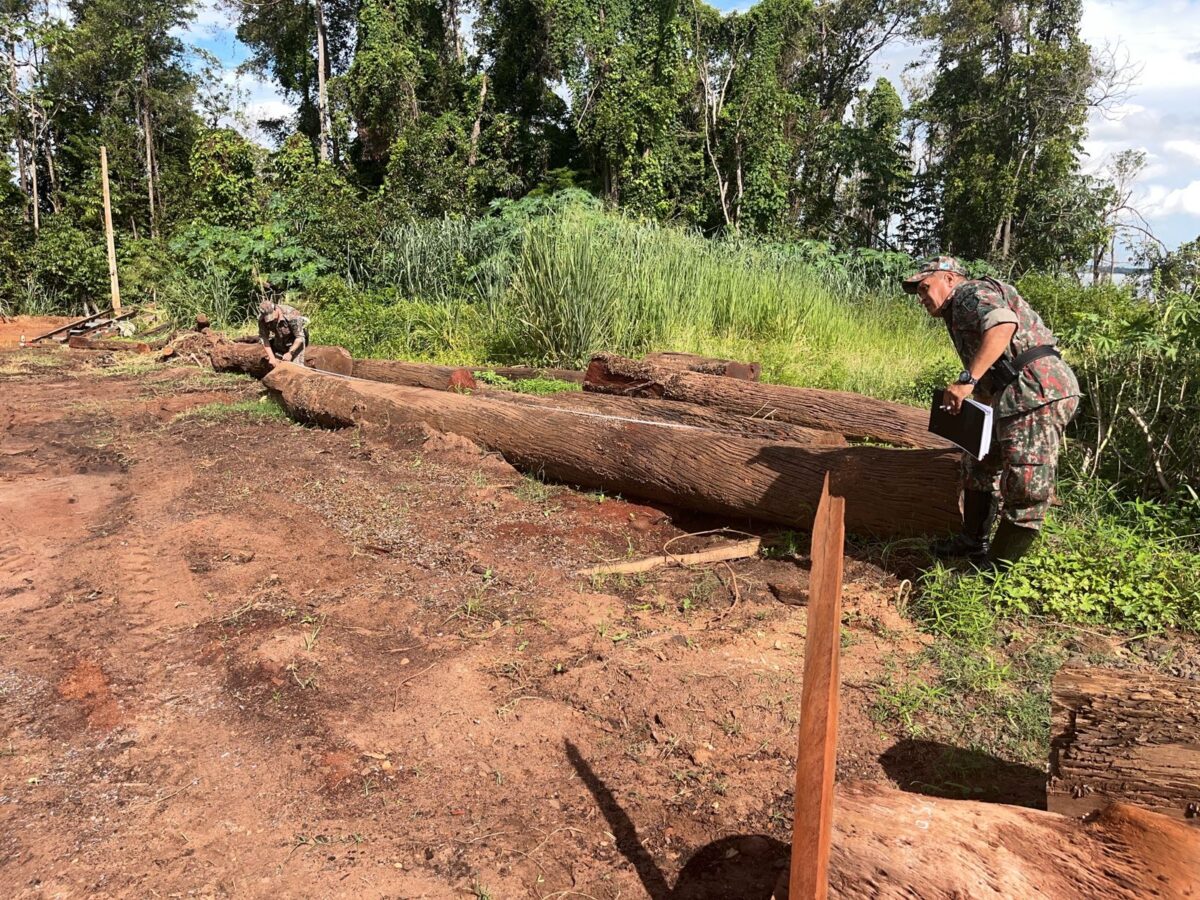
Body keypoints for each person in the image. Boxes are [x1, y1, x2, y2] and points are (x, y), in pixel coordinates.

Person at [901, 256, 1080, 567]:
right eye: (918, 292)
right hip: (1011, 394)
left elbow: (1003, 325)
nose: (922, 297)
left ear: (950, 278)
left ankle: (994, 573)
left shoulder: (969, 294)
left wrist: (967, 380)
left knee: (1026, 487)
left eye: (925, 287)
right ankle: (972, 543)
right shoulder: (958, 308)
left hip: (1035, 392)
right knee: (978, 462)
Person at [257, 298, 309, 367]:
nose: (271, 320)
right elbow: (264, 338)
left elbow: (300, 337)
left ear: (276, 309)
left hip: (295, 340)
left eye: (272, 316)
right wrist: (272, 358)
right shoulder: (262, 319)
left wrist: (290, 353)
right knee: (276, 364)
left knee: (295, 367)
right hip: (279, 339)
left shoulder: (292, 314)